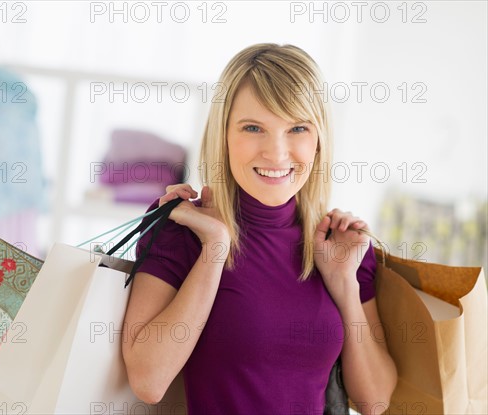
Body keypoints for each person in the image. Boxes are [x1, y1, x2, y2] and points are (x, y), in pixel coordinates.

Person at [121, 43, 397, 415]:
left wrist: (345, 283)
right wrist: (215, 248)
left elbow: (375, 401)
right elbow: (148, 380)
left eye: (297, 128)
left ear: (318, 141)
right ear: (224, 135)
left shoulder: (341, 245)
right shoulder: (182, 228)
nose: (277, 153)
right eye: (253, 127)